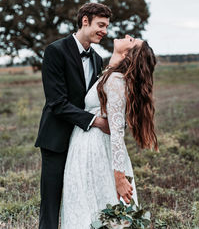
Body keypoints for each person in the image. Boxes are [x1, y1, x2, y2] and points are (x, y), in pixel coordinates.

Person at [61, 36, 158, 229]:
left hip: (96, 148)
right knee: (86, 203)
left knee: (94, 205)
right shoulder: (111, 74)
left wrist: (119, 178)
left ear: (128, 54)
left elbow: (116, 133)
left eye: (132, 41)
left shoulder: (116, 80)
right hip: (86, 144)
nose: (128, 36)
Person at [35, 3, 112, 229]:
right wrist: (97, 122)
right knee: (51, 202)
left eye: (107, 26)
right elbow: (56, 102)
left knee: (80, 197)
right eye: (101, 25)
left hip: (84, 143)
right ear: (85, 21)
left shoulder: (98, 59)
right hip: (57, 138)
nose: (104, 31)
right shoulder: (55, 51)